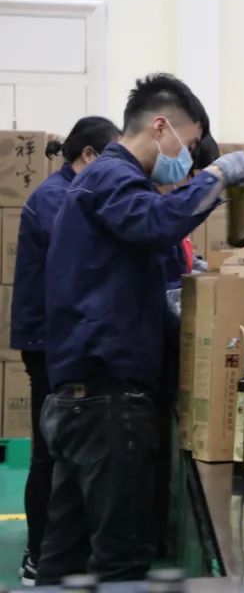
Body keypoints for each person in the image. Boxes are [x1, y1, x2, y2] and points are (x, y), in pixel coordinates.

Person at [37, 73, 244, 583]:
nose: (188, 158)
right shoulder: (113, 177)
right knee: (121, 561)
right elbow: (156, 223)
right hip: (106, 401)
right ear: (160, 127)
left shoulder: (103, 182)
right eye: (189, 145)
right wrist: (215, 177)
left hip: (80, 398)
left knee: (65, 556)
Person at [8, 116, 121, 585]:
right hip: (48, 343)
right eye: (113, 158)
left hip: (59, 338)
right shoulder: (58, 198)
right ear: (88, 157)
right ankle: (38, 555)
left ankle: (58, 548)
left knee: (66, 449)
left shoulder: (71, 192)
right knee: (49, 452)